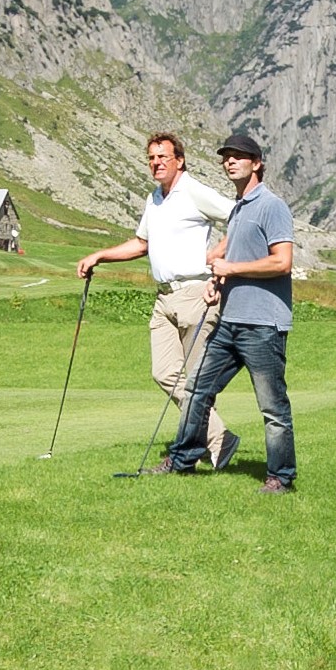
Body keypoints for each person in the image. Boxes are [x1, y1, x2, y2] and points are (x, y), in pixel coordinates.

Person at [71, 133, 233, 467]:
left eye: (163, 157)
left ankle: (201, 449)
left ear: (179, 160)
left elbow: (240, 215)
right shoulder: (155, 198)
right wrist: (99, 256)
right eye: (151, 158)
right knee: (164, 373)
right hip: (164, 298)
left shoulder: (193, 191)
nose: (156, 163)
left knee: (196, 380)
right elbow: (141, 244)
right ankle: (218, 437)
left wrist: (219, 253)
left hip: (196, 294)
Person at [161, 135, 299, 491]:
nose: (230, 162)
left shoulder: (271, 206)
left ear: (257, 163)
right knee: (197, 389)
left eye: (239, 156)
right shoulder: (238, 209)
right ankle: (182, 461)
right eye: (226, 157)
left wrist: (231, 268)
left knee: (272, 407)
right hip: (229, 321)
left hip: (263, 325)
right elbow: (234, 262)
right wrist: (217, 283)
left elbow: (282, 262)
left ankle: (280, 478)